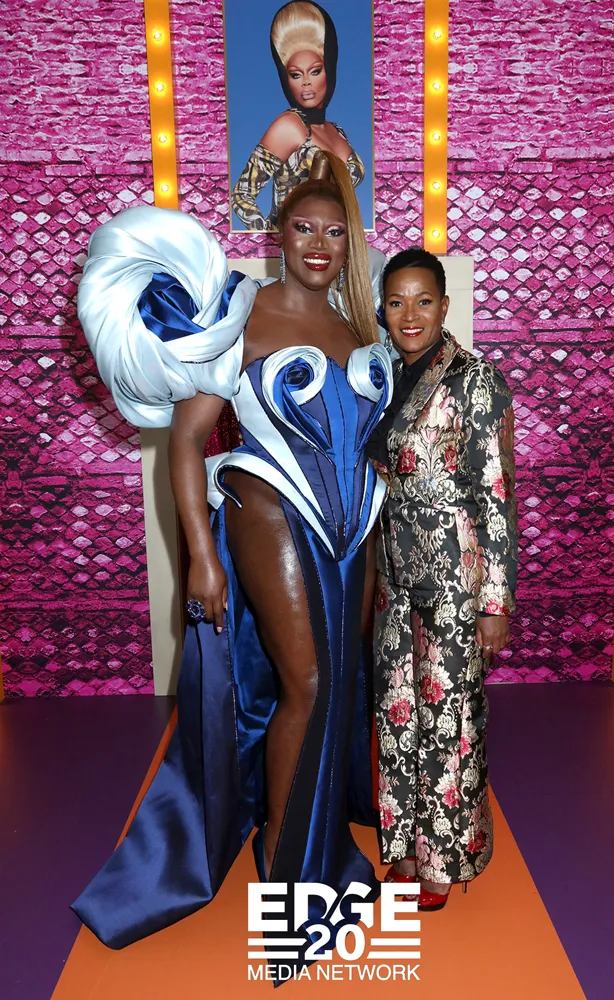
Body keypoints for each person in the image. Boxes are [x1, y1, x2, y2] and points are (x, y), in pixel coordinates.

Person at [71, 151, 392, 966]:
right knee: (308, 685)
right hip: (269, 515)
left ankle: (314, 846)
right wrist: (199, 558)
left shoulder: (357, 327)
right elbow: (186, 443)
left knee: (338, 686)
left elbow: (366, 444)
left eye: (333, 232)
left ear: (348, 242)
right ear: (277, 233)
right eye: (303, 227)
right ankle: (287, 866)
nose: (317, 244)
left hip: (354, 533)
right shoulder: (241, 315)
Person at [367, 248, 517, 912]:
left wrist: (496, 602)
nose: (410, 314)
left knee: (449, 715)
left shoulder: (475, 379)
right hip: (394, 575)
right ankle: (404, 848)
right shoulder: (383, 377)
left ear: (445, 306)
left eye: (423, 300)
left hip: (458, 576)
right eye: (396, 301)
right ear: (382, 309)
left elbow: (497, 494)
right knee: (397, 710)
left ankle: (445, 860)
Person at [231, 1, 365, 231]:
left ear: (329, 69)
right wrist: (278, 239)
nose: (306, 82)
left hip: (340, 244)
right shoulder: (289, 126)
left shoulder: (337, 131)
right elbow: (241, 195)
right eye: (295, 74)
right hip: (300, 250)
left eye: (315, 71)